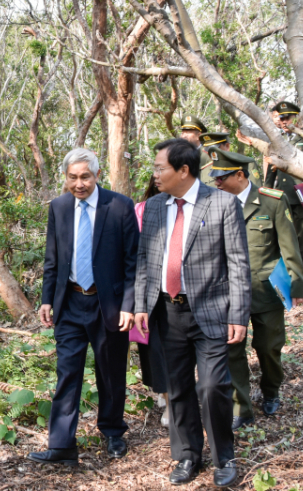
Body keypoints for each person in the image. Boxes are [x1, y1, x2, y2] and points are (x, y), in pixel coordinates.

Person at [129, 138, 251, 487]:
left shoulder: (222, 204)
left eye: (160, 168)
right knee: (177, 387)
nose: (155, 174)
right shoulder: (153, 207)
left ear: (184, 170)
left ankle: (224, 456)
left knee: (212, 386)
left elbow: (239, 264)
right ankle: (187, 455)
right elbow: (143, 261)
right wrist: (140, 305)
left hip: (210, 311)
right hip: (166, 312)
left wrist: (238, 315)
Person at [28, 148, 139, 467]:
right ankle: (62, 444)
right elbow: (52, 259)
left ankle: (113, 431)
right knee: (67, 373)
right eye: (73, 177)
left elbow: (133, 261)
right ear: (66, 178)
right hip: (70, 304)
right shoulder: (59, 207)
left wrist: (130, 305)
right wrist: (47, 298)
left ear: (97, 175)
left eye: (85, 177)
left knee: (111, 372)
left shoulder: (119, 206)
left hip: (111, 306)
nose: (79, 184)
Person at [207, 146, 303, 430]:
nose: (216, 183)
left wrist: (297, 284)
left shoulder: (272, 201)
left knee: (268, 347)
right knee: (232, 349)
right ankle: (242, 406)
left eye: (221, 178)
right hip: (227, 292)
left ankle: (271, 390)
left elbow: (290, 246)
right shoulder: (215, 202)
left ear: (239, 175)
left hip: (264, 289)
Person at [133, 175, 169, 429]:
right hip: (147, 286)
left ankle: (172, 397)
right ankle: (161, 391)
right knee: (152, 347)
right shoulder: (140, 210)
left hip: (176, 288)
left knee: (170, 347)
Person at [263, 102, 303, 271]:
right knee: (284, 237)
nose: (284, 122)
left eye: (288, 118)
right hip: (283, 196)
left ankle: (301, 278)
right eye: (281, 118)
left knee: (301, 239)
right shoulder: (277, 140)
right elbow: (271, 168)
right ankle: (287, 275)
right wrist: (267, 191)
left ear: (296, 118)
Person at [178, 115, 215, 187]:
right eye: (183, 132)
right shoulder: (177, 156)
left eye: (188, 132)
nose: (184, 136)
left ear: (199, 136)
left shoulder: (208, 156)